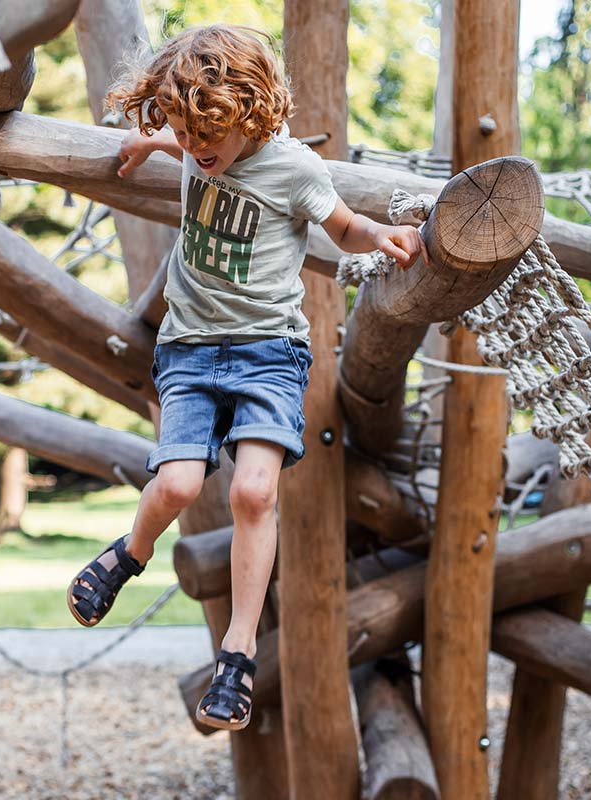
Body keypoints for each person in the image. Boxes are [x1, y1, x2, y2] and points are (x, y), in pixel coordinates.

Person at [67, 24, 427, 731]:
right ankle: (128, 554)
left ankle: (238, 653)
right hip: (192, 349)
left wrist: (380, 235)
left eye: (210, 146)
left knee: (257, 494)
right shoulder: (196, 141)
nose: (199, 159)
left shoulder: (291, 166)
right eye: (186, 140)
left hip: (269, 352)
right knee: (177, 482)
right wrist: (152, 142)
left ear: (251, 116)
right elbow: (188, 139)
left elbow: (343, 227)